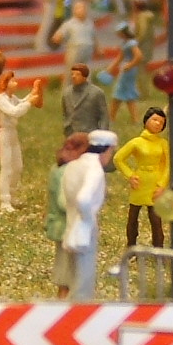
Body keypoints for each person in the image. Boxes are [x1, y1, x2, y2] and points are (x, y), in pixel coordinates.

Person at [62, 129, 118, 301]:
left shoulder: (73, 165)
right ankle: (80, 312)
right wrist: (87, 219)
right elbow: (84, 198)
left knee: (74, 276)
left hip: (70, 224)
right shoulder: (95, 170)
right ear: (107, 150)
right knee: (84, 280)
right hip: (84, 229)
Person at [113, 107, 169, 248]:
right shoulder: (136, 142)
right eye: (154, 120)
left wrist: (162, 185)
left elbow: (168, 165)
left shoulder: (163, 143)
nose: (157, 124)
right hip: (140, 183)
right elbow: (118, 158)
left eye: (161, 122)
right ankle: (131, 246)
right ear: (146, 121)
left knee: (156, 219)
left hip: (154, 184)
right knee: (133, 218)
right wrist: (130, 175)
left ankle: (158, 248)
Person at [45, 132, 90, 298]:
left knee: (68, 269)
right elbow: (64, 202)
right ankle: (64, 302)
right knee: (67, 271)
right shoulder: (67, 171)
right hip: (66, 227)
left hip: (62, 226)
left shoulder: (58, 168)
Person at [0, 70, 41, 212]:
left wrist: (32, 94)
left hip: (13, 134)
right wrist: (29, 103)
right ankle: (4, 201)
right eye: (12, 81)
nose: (16, 83)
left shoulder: (11, 97)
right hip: (5, 134)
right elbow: (15, 111)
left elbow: (20, 103)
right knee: (7, 168)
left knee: (17, 167)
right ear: (5, 83)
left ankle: (12, 195)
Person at [51, 0, 101, 82]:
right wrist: (62, 41)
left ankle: (86, 87)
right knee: (72, 71)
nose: (82, 10)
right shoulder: (69, 24)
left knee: (86, 71)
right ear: (74, 11)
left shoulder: (89, 23)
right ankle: (68, 87)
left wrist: (98, 49)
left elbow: (93, 37)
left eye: (84, 8)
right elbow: (57, 36)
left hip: (88, 50)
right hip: (75, 50)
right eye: (79, 8)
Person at [107, 22, 144, 124]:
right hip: (125, 69)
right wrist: (111, 67)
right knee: (127, 96)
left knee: (118, 94)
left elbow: (139, 56)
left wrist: (130, 65)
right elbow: (120, 57)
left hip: (128, 71)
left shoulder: (131, 43)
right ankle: (133, 119)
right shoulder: (125, 43)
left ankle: (111, 118)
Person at [61, 63, 109, 137]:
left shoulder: (96, 93)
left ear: (84, 77)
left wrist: (102, 133)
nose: (74, 76)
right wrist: (66, 125)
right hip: (71, 133)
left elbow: (104, 115)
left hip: (90, 132)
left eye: (77, 74)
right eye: (72, 74)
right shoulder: (66, 93)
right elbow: (65, 112)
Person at [132, 0, 157, 99]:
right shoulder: (149, 17)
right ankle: (145, 92)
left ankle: (143, 93)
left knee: (140, 71)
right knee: (143, 70)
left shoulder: (142, 17)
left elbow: (143, 31)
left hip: (142, 47)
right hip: (148, 46)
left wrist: (136, 42)